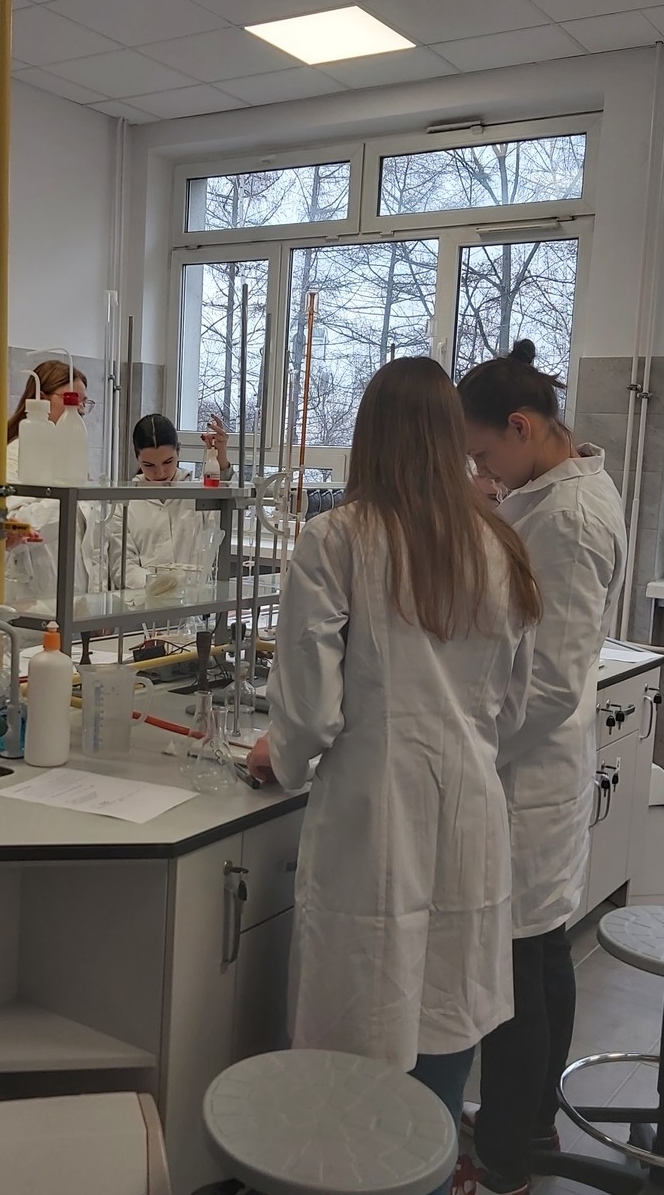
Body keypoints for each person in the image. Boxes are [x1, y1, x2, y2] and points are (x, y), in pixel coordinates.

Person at [246, 357, 541, 1195]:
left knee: (355, 1052)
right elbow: (514, 707)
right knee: (444, 1026)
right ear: (452, 440)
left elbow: (310, 712)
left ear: (369, 438)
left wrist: (281, 756)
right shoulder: (500, 543)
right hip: (470, 810)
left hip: (373, 818)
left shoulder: (337, 538)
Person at [455, 340, 626, 1195]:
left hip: (530, 773)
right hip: (540, 772)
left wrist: (469, 748)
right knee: (544, 955)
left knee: (516, 977)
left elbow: (551, 683)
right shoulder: (559, 490)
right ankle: (530, 1126)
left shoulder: (568, 518)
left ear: (522, 427)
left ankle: (504, 1162)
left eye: (485, 453)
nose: (482, 471)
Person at [0, 361, 91, 610]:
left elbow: (86, 537)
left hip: (73, 596)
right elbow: (15, 524)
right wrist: (67, 494)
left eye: (84, 402)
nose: (80, 409)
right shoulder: (14, 453)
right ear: (42, 399)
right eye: (71, 399)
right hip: (31, 597)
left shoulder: (68, 453)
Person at [109, 412, 232, 589]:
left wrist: (222, 464)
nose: (160, 473)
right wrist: (162, 586)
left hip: (195, 599)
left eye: (168, 462)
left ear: (178, 451)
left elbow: (226, 524)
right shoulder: (124, 504)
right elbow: (122, 566)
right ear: (137, 458)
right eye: (149, 465)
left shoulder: (197, 493)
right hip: (146, 599)